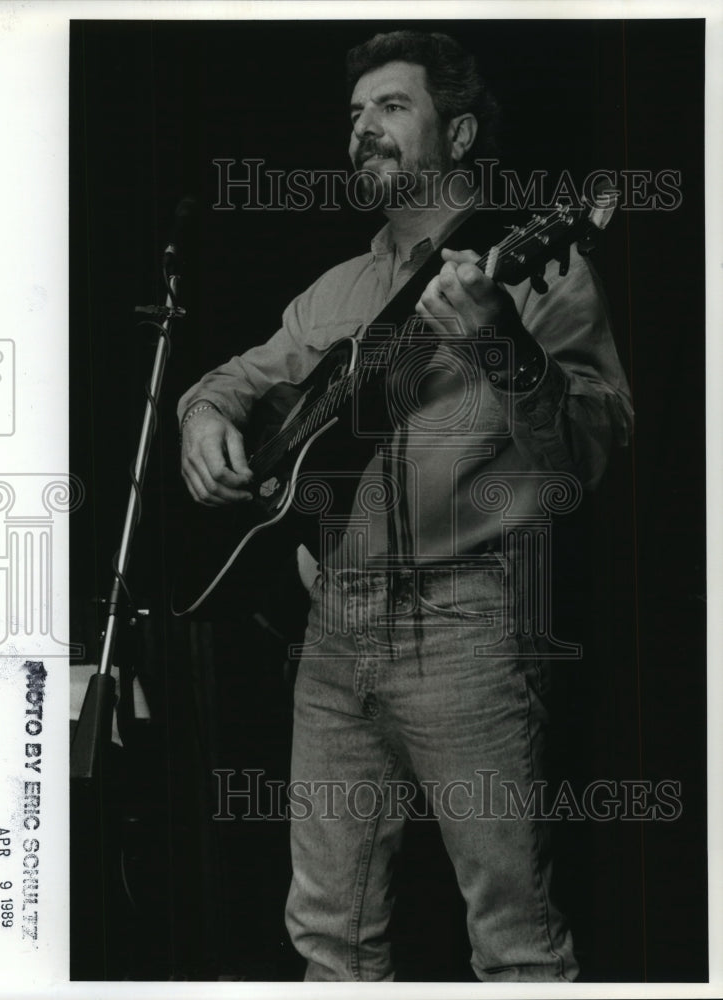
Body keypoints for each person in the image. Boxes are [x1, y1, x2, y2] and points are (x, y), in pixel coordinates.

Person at [178, 30, 632, 982]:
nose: (363, 128)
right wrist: (202, 415)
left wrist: (498, 341)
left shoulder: (527, 265)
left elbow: (588, 449)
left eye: (392, 107)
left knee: (514, 944)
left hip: (466, 621)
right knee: (327, 940)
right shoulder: (339, 287)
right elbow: (236, 377)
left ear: (459, 133)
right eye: (355, 112)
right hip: (333, 627)